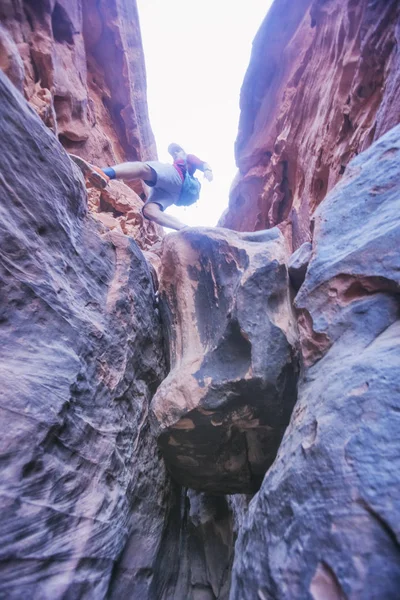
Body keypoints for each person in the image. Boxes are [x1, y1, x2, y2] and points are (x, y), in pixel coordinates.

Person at [70, 143, 213, 231]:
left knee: (143, 169)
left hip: (177, 177)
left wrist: (208, 171)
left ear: (180, 150)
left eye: (176, 150)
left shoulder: (186, 158)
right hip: (174, 195)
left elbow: (203, 163)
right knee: (149, 210)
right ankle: (182, 228)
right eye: (173, 152)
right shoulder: (180, 162)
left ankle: (105, 174)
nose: (174, 153)